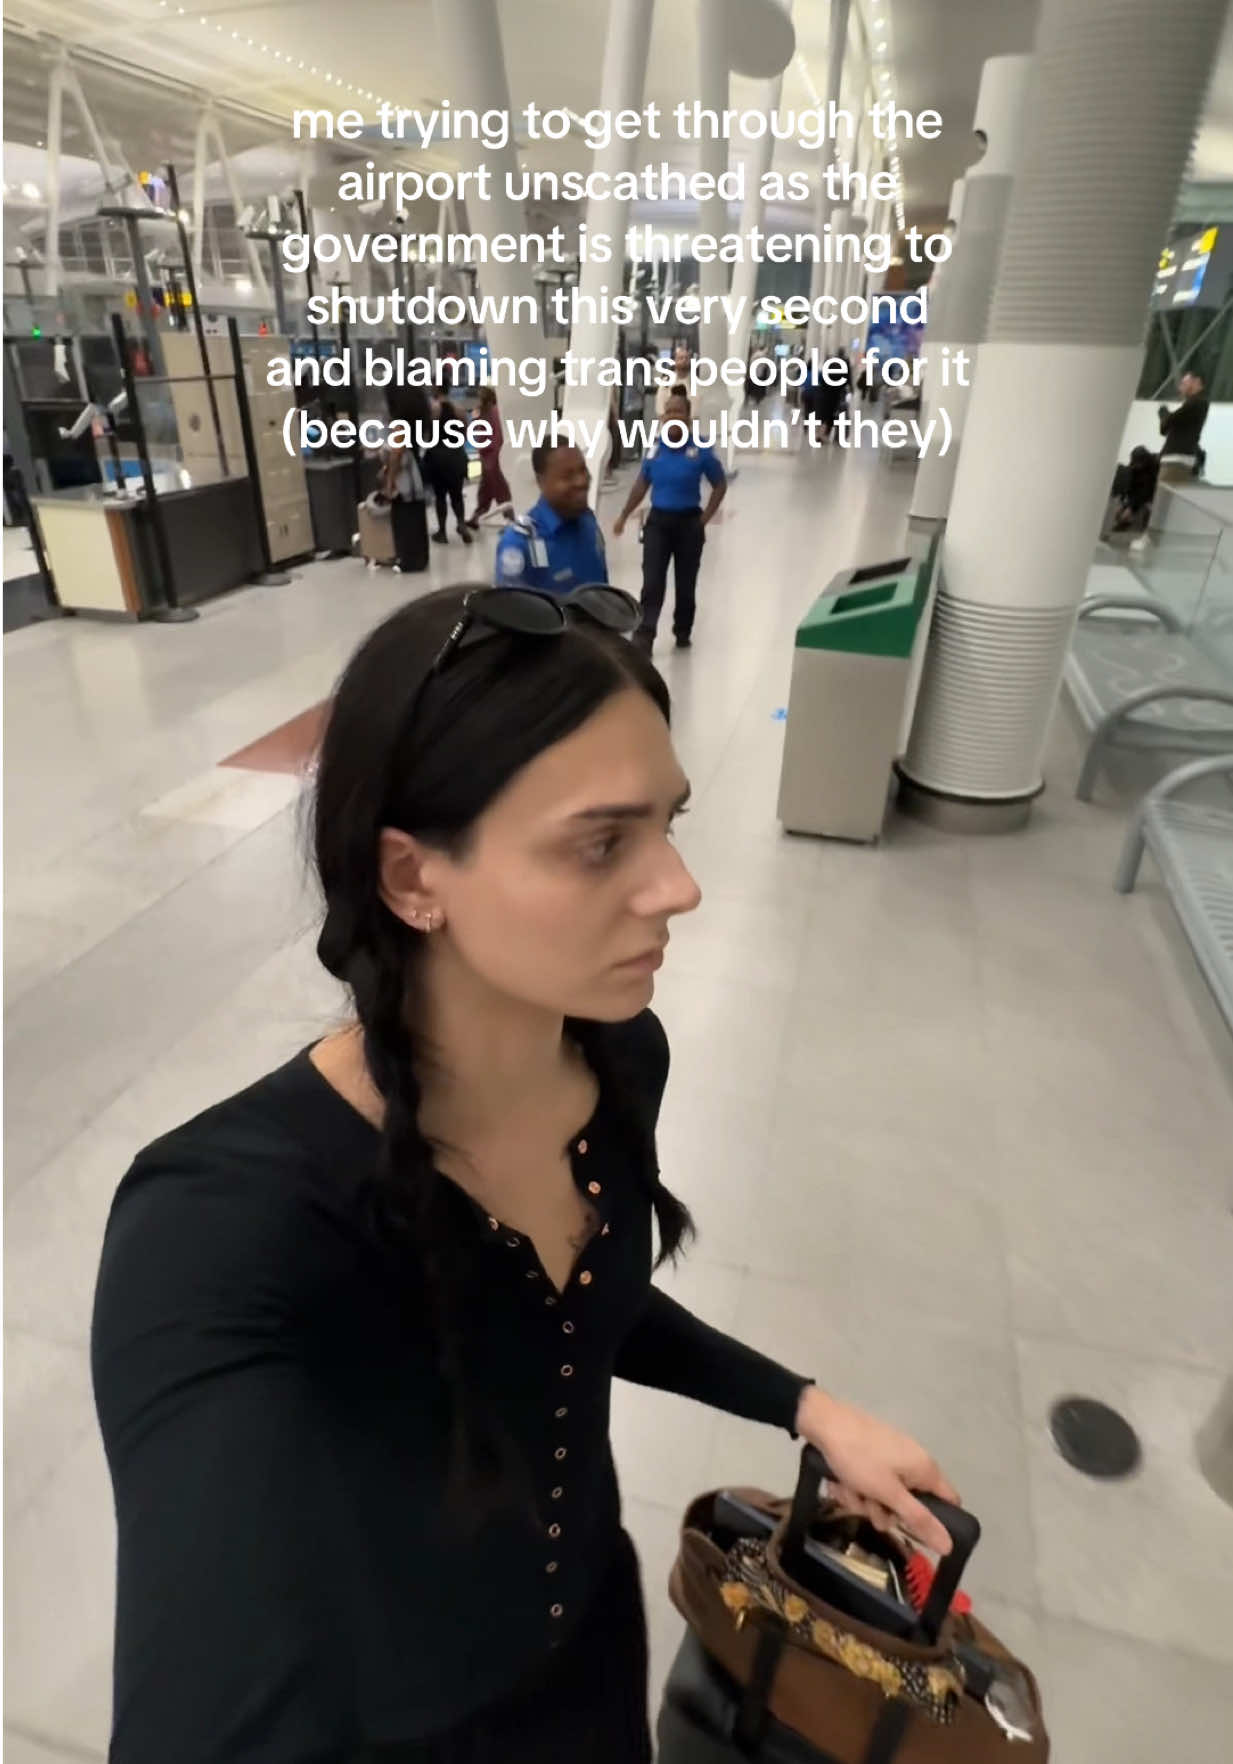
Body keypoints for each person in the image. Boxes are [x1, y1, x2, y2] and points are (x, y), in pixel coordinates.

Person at [92, 581, 957, 1764]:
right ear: (413, 880)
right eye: (602, 843)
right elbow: (199, 1695)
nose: (680, 887)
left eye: (668, 823)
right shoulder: (222, 1224)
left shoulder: (621, 1060)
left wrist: (805, 1406)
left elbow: (564, 1303)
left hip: (593, 1651)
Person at [613, 390, 727, 652]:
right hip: (658, 524)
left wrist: (704, 519)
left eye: (679, 411)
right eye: (669, 412)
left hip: (689, 525)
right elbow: (641, 485)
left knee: (685, 585)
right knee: (652, 582)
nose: (674, 416)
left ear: (688, 417)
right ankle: (645, 635)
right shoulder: (655, 449)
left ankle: (682, 630)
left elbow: (719, 485)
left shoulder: (701, 449)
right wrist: (624, 515)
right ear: (663, 417)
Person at [494, 442, 608, 593]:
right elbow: (509, 606)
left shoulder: (589, 521)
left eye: (583, 470)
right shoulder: (519, 543)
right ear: (541, 482)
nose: (581, 481)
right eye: (567, 476)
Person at [1132, 370, 1210, 552]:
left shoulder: (1198, 403)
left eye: (1185, 382)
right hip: (1174, 459)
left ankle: (1152, 539)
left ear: (1197, 382)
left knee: (1162, 500)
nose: (1181, 386)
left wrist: (1164, 413)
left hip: (1177, 460)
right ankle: (1155, 538)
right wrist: (1166, 418)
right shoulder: (1191, 407)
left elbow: (1168, 423)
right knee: (1163, 499)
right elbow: (1165, 427)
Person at [381, 385, 432, 574]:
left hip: (404, 478)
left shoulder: (400, 423)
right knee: (416, 517)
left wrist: (389, 481)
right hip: (414, 475)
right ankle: (420, 557)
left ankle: (408, 560)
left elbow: (397, 452)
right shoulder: (417, 419)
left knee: (403, 518)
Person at [422, 396, 474, 548]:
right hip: (457, 456)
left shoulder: (432, 410)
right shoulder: (460, 410)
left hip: (438, 458)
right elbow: (465, 434)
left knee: (440, 497)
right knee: (457, 495)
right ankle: (461, 524)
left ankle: (442, 533)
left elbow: (425, 435)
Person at [465, 386, 513, 529]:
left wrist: (494, 457)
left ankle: (511, 519)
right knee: (485, 491)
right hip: (487, 458)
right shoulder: (484, 413)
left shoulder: (494, 412)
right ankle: (476, 517)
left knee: (500, 491)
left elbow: (497, 437)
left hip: (493, 458)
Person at [655, 342, 693, 419]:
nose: (684, 360)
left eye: (686, 358)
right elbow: (660, 409)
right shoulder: (666, 382)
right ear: (675, 361)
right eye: (681, 358)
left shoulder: (695, 382)